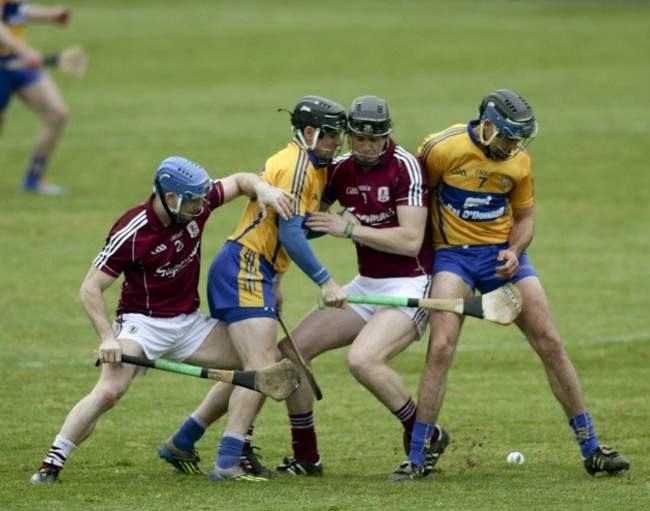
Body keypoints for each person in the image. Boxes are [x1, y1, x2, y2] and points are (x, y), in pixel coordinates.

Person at [389, 89, 630, 480]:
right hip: (454, 258)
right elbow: (414, 200)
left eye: (519, 139)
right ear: (486, 125)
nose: (513, 146)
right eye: (507, 137)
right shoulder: (439, 149)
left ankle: (591, 448)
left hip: (504, 257)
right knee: (442, 348)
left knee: (550, 341)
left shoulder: (518, 162)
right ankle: (417, 456)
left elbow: (526, 218)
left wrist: (515, 250)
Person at [30, 156, 295, 485]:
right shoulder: (133, 231)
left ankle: (212, 446)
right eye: (194, 202)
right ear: (171, 198)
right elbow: (90, 288)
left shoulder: (195, 200)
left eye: (202, 199)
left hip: (189, 324)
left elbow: (241, 181)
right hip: (142, 324)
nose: (202, 206)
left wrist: (263, 189)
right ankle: (52, 463)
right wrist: (107, 338)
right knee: (109, 392)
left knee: (259, 364)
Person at [161, 95, 349, 483]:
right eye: (332, 135)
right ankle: (227, 462)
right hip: (245, 267)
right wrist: (325, 280)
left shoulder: (310, 166)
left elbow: (290, 230)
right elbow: (290, 235)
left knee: (252, 367)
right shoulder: (297, 166)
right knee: (264, 369)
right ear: (310, 133)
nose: (338, 143)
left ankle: (183, 440)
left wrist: (339, 225)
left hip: (252, 269)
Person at [272, 95, 451, 477]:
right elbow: (303, 224)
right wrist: (278, 276)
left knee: (363, 360)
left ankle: (424, 434)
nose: (367, 147)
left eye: (376, 139)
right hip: (368, 284)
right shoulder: (339, 169)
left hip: (411, 284)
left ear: (388, 135)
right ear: (349, 135)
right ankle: (307, 456)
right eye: (359, 139)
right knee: (289, 352)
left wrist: (351, 228)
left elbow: (408, 240)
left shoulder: (406, 167)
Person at [0, 1, 71, 194]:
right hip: (11, 61)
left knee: (57, 113)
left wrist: (50, 15)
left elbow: (17, 9)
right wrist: (24, 51)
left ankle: (33, 180)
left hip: (18, 64)